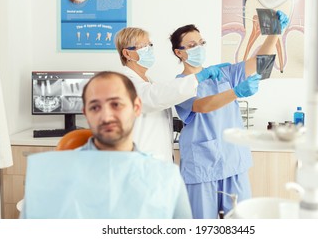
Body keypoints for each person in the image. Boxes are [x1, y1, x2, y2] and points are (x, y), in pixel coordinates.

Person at [22, 71, 192, 219]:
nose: (106, 116)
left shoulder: (165, 178)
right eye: (95, 107)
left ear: (137, 108)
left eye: (116, 104)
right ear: (85, 113)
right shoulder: (49, 176)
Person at [169, 11, 289, 219]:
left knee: (240, 222)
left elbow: (261, 64)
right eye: (191, 45)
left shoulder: (223, 73)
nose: (199, 47)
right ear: (179, 52)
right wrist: (236, 92)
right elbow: (202, 106)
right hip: (202, 167)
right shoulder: (180, 85)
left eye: (201, 42)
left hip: (234, 161)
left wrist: (275, 33)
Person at [114, 27, 228, 162]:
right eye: (144, 46)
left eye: (150, 45)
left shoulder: (150, 83)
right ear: (127, 54)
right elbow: (152, 97)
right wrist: (197, 77)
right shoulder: (124, 83)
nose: (149, 49)